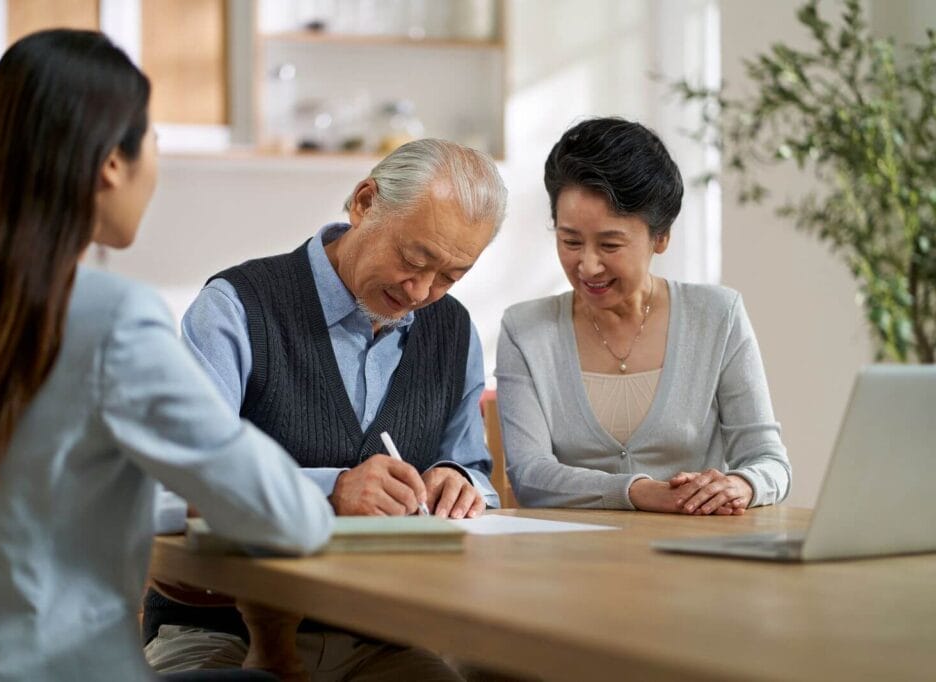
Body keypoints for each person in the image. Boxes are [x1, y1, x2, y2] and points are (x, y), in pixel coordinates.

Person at [0, 30, 334, 682]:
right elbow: (287, 517)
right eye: (155, 138)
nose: (157, 159)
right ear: (112, 161)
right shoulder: (111, 318)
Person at [143, 139, 508, 679]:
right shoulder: (236, 308)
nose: (422, 290)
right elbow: (165, 492)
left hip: (381, 637)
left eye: (451, 276)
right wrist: (329, 492)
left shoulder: (453, 331)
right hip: (220, 631)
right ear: (364, 203)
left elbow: (476, 475)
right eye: (414, 259)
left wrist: (458, 481)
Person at [496, 117, 791, 514]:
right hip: (569, 562)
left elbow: (769, 462)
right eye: (570, 241)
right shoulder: (526, 330)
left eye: (610, 244)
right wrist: (639, 493)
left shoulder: (718, 317)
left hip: (693, 557)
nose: (587, 265)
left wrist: (741, 485)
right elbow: (530, 476)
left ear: (661, 236)